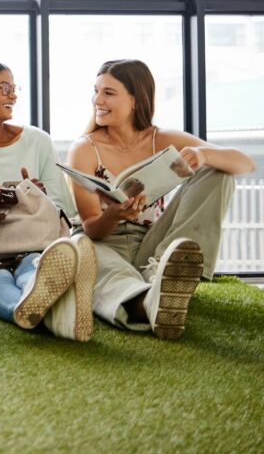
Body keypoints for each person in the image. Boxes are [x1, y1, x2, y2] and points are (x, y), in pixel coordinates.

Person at [66, 59, 254, 339]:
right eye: (96, 91)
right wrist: (115, 214)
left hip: (151, 243)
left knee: (218, 172)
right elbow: (92, 227)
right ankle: (146, 301)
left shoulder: (161, 138)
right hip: (103, 242)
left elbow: (244, 163)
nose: (98, 100)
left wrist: (203, 155)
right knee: (98, 264)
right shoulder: (84, 148)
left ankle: (162, 274)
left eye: (108, 93)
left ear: (135, 100)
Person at [0, 59, 95, 341]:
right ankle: (36, 311)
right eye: (4, 88)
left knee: (32, 271)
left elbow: (61, 214)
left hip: (29, 245)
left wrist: (39, 197)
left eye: (13, 88)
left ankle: (49, 308)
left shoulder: (39, 140)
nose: (13, 95)